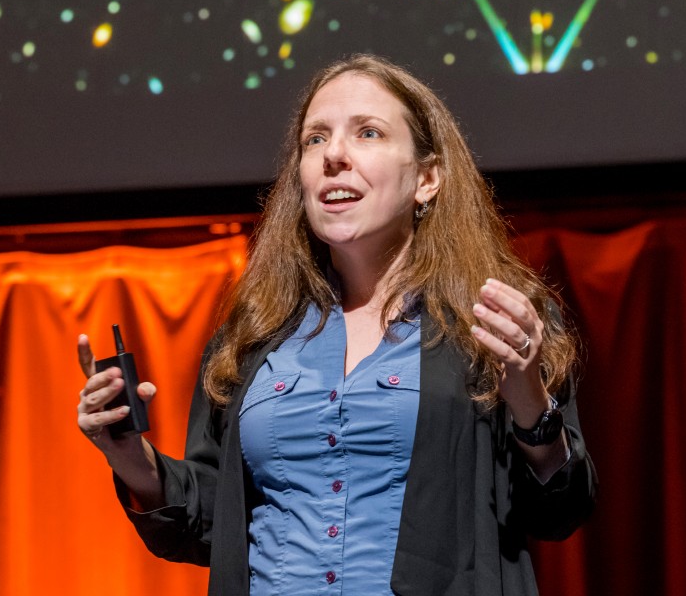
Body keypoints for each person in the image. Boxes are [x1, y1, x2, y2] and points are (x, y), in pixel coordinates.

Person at [76, 53, 597, 595]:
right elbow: (214, 524)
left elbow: (559, 511)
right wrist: (132, 459)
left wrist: (530, 404)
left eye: (368, 133)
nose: (334, 156)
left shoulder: (490, 326)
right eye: (315, 140)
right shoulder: (254, 336)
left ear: (427, 178)